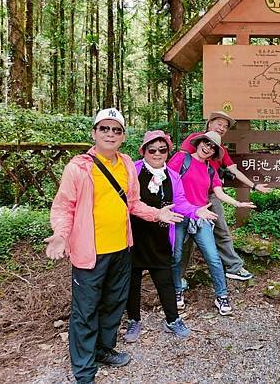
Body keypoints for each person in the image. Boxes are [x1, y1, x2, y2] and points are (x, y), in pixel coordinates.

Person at [44, 109, 183, 384]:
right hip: (90, 253)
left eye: (116, 130)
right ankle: (84, 370)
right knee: (86, 310)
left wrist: (157, 214)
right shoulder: (78, 167)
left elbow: (132, 203)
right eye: (104, 128)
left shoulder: (127, 164)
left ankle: (104, 350)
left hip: (122, 249)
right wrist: (61, 235)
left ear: (123, 136)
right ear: (94, 133)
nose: (110, 134)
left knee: (113, 304)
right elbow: (64, 207)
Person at [123, 130, 217, 343]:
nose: (157, 153)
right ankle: (133, 320)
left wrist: (196, 210)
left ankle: (172, 320)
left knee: (165, 281)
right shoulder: (133, 171)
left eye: (162, 150)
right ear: (144, 151)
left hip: (161, 236)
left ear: (168, 152)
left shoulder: (173, 176)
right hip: (134, 237)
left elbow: (181, 202)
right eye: (152, 149)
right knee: (132, 281)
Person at [174, 111, 271, 283]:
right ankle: (179, 277)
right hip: (186, 197)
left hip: (211, 194)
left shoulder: (220, 150)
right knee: (185, 239)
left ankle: (234, 267)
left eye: (225, 127)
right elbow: (179, 164)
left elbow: (233, 170)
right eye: (219, 124)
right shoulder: (195, 139)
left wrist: (254, 186)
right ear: (209, 124)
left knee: (222, 231)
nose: (222, 128)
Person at [168, 131, 256, 315]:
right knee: (176, 257)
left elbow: (219, 192)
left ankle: (221, 296)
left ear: (215, 153)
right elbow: (167, 181)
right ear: (199, 142)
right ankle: (176, 291)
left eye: (212, 147)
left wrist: (237, 203)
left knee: (213, 257)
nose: (207, 148)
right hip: (179, 215)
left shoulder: (210, 169)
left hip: (201, 217)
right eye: (205, 143)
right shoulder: (181, 159)